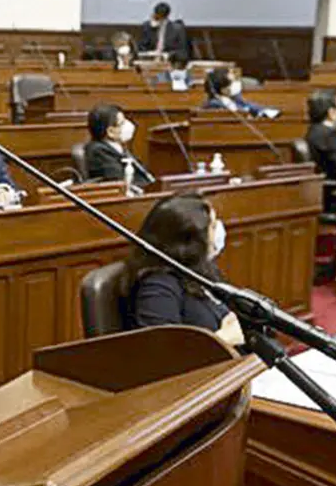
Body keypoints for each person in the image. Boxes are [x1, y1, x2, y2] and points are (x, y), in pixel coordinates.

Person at [123, 192, 244, 346]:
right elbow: (164, 354)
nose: (219, 230)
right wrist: (223, 339)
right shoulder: (157, 287)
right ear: (189, 243)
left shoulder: (202, 270)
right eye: (212, 226)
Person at [83, 103, 153, 188]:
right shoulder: (98, 152)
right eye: (122, 123)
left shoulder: (118, 147)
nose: (129, 125)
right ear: (110, 132)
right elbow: (120, 181)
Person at [202, 68, 280, 119]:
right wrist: (249, 114)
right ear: (223, 89)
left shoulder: (236, 98)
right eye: (233, 82)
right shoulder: (213, 104)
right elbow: (238, 114)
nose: (237, 83)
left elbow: (250, 106)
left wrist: (264, 111)